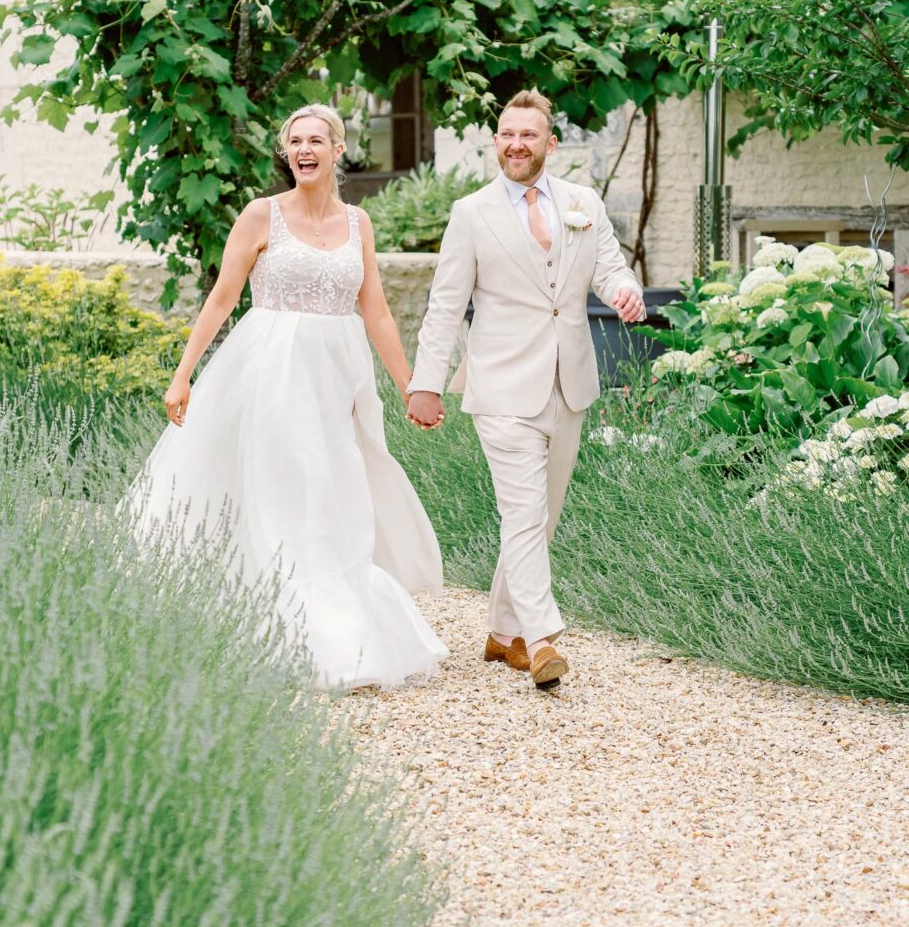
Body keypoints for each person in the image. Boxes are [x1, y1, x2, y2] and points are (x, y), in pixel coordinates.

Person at [129, 103, 447, 691]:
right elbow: (223, 297)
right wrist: (182, 375)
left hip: (339, 379)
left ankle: (344, 622)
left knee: (338, 489)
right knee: (290, 484)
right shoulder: (262, 215)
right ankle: (285, 625)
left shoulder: (359, 223)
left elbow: (376, 310)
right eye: (295, 142)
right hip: (272, 372)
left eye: (315, 141)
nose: (303, 150)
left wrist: (412, 386)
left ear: (337, 150)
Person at [406, 90, 645, 690]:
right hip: (502, 385)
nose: (516, 144)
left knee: (543, 517)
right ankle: (541, 642)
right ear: (496, 141)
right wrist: (426, 383)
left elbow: (609, 267)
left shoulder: (584, 203)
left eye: (528, 135)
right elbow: (445, 305)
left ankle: (502, 630)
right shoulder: (471, 213)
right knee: (523, 511)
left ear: (549, 143)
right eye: (507, 134)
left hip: (569, 383)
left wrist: (626, 290)